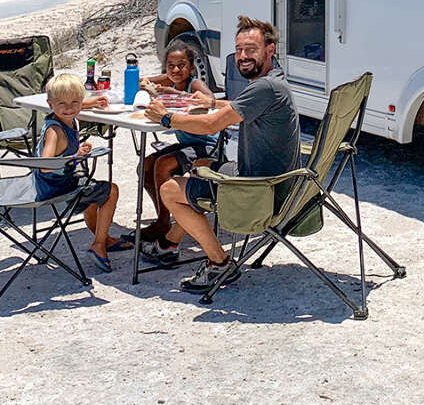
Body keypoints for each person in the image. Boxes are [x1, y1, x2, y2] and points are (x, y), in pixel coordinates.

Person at [144, 16, 300, 293]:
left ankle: (219, 263)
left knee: (170, 189)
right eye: (238, 50)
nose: (242, 57)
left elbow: (211, 125)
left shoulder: (264, 87)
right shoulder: (273, 83)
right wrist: (214, 101)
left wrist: (167, 118)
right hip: (278, 182)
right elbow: (238, 108)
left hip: (258, 190)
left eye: (251, 49)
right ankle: (168, 244)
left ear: (270, 49)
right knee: (195, 173)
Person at [37, 73, 131, 273]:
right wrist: (75, 155)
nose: (70, 108)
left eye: (75, 102)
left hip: (59, 182)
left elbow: (70, 108)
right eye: (63, 103)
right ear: (50, 104)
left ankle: (104, 239)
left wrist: (91, 103)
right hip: (58, 186)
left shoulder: (62, 115)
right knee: (110, 191)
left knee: (93, 193)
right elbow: (45, 165)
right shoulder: (55, 131)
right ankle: (98, 245)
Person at [136, 38, 216, 246]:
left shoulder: (194, 83)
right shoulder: (170, 78)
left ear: (191, 68)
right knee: (145, 165)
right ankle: (163, 218)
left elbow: (209, 100)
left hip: (206, 143)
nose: (176, 69)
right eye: (171, 65)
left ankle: (166, 222)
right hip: (187, 143)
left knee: (163, 165)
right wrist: (160, 79)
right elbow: (141, 82)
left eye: (182, 65)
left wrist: (177, 94)